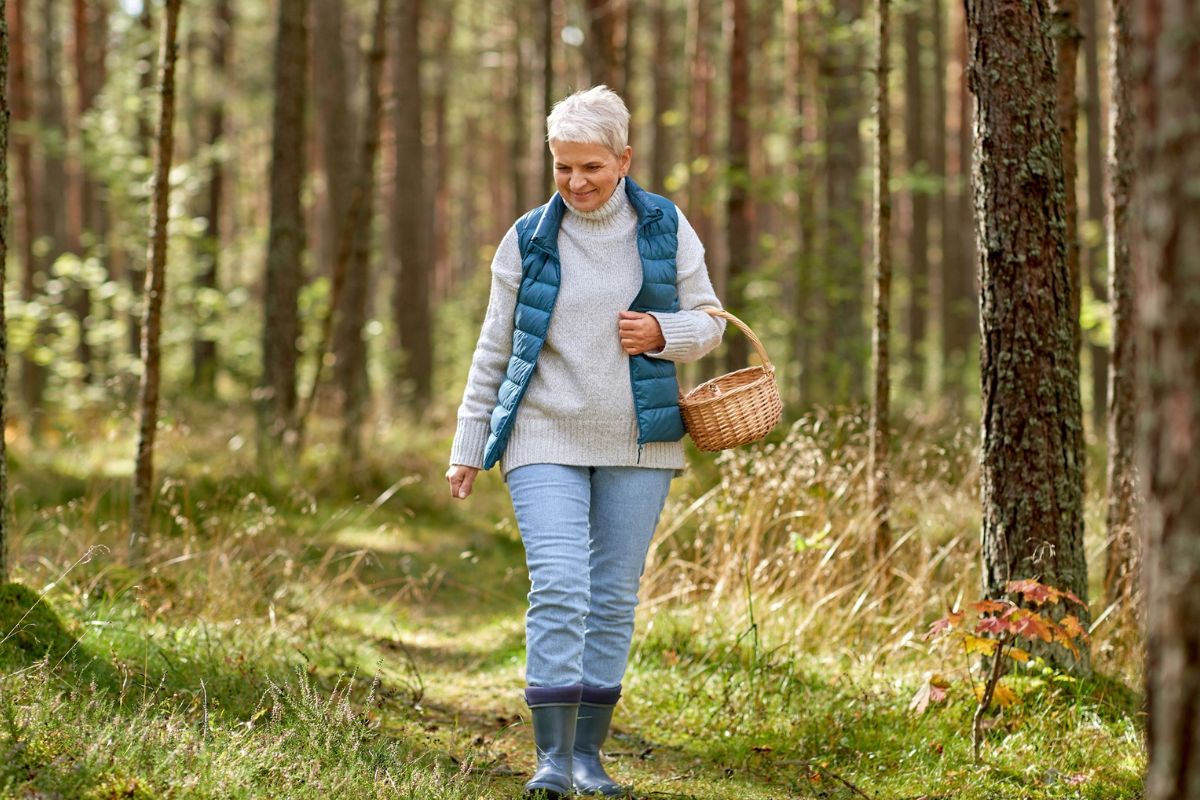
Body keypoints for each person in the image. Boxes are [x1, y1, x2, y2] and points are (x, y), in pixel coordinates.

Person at [445, 86, 724, 799]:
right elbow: (494, 347)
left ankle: (587, 759)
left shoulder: (665, 225)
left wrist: (663, 332)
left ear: (624, 159)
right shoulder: (528, 237)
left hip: (640, 440)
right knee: (561, 583)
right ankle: (550, 759)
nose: (575, 182)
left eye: (592, 167)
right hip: (543, 432)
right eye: (562, 167)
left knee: (611, 596)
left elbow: (711, 321)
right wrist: (470, 442)